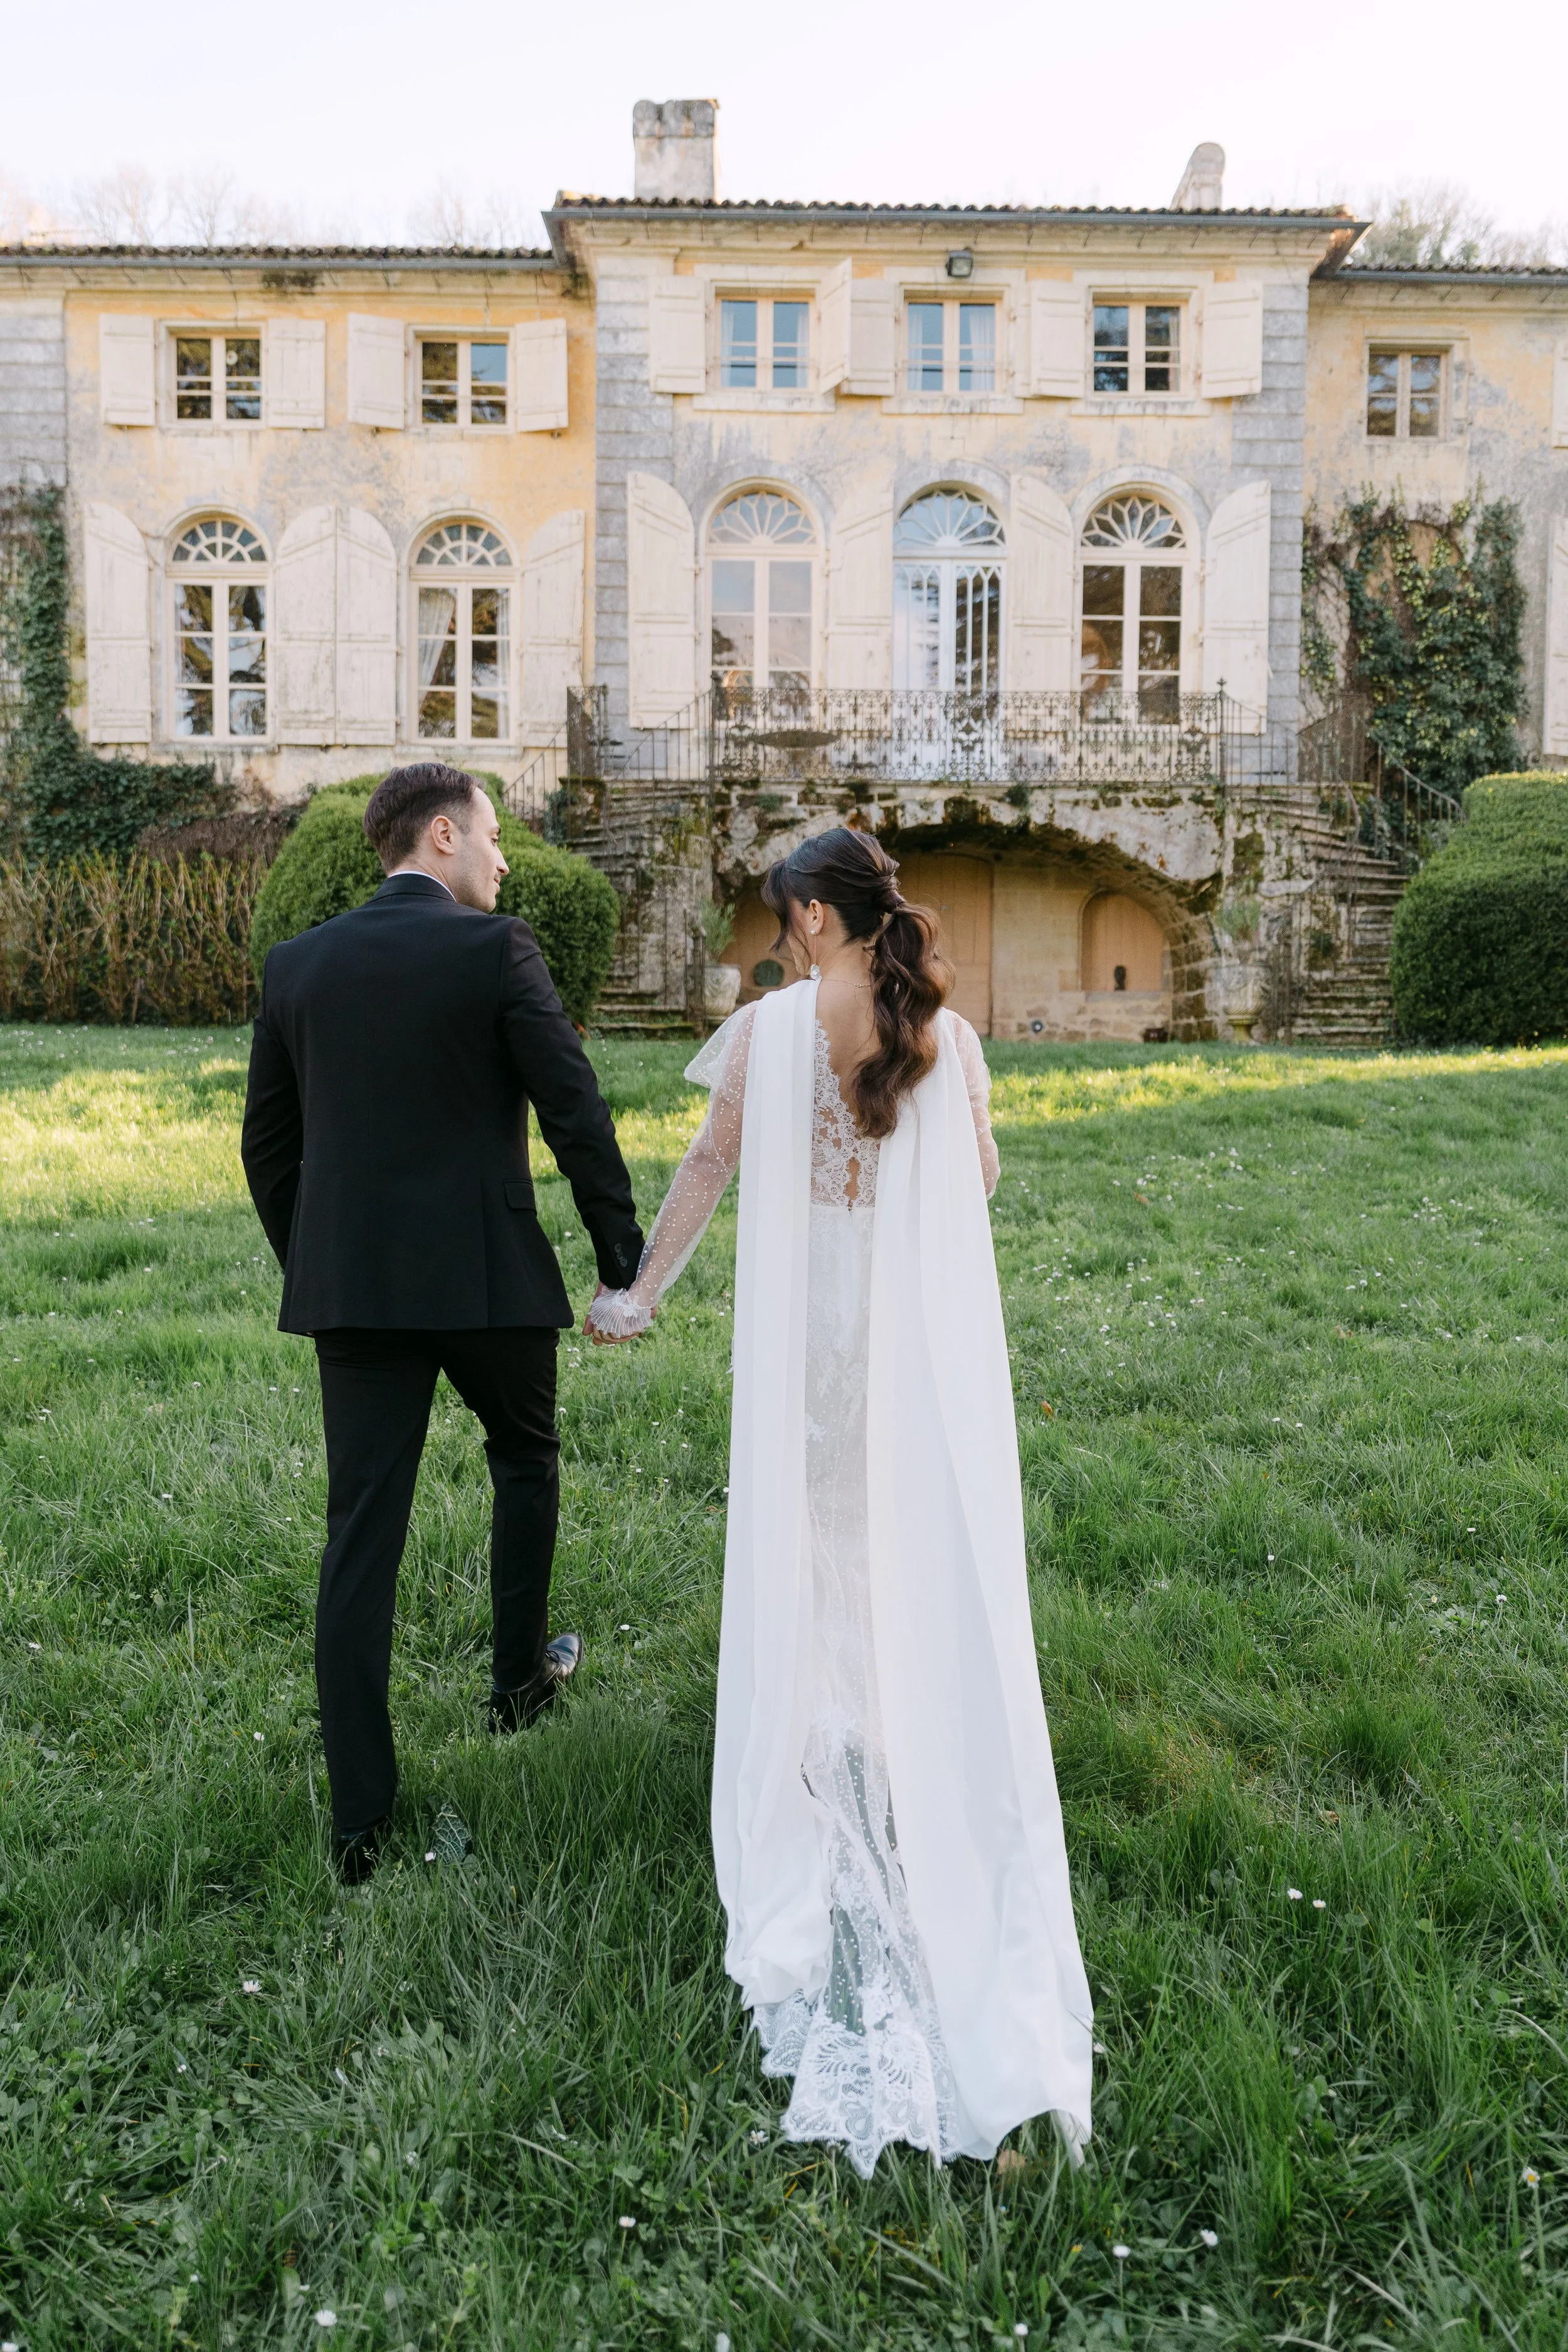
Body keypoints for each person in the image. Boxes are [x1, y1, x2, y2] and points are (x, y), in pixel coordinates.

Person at [587, 828, 1092, 2176]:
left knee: (813, 1538)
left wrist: (638, 1295)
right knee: (884, 1536)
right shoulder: (948, 1035)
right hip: (899, 1340)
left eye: (783, 913)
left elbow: (707, 1168)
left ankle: (827, 1730)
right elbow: (981, 1179)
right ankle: (887, 1718)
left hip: (806, 1344)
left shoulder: (764, 1037)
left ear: (813, 915)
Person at [241, 763, 644, 1884]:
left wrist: (323, 1263)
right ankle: (517, 1682)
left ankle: (359, 1825)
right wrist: (622, 1260)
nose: (505, 858)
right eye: (494, 834)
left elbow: (267, 1149)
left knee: (361, 1532)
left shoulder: (297, 966)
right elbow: (573, 1106)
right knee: (525, 1454)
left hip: (357, 1294)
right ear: (441, 837)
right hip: (486, 1282)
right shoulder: (498, 949)